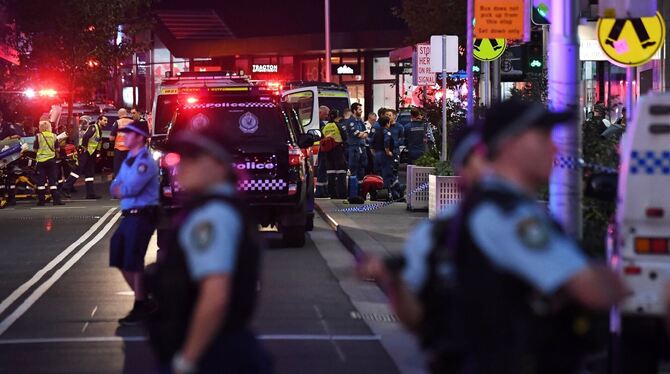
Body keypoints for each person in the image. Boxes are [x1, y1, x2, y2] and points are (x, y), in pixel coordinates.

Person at [451, 100, 626, 373]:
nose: (555, 147)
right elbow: (593, 290)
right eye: (544, 137)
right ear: (511, 144)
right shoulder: (506, 215)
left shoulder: (509, 206)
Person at [358, 126, 488, 373]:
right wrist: (394, 278)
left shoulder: (527, 221)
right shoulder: (438, 232)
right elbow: (414, 316)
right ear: (466, 167)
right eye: (488, 158)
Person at [148, 120, 273, 374]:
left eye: (193, 157)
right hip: (223, 347)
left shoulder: (211, 216)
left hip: (214, 353)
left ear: (218, 164)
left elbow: (215, 295)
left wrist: (187, 360)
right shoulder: (220, 208)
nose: (181, 163)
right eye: (179, 156)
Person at [109, 120, 159, 325]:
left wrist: (121, 188)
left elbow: (130, 188)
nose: (124, 137)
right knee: (118, 254)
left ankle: (141, 303)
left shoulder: (144, 161)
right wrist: (119, 188)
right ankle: (145, 298)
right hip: (129, 215)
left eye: (129, 134)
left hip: (142, 215)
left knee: (133, 259)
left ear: (140, 137)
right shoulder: (130, 158)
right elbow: (114, 186)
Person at [61, 115, 107, 199]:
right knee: (77, 169)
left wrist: (98, 153)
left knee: (90, 173)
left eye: (106, 121)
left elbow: (97, 143)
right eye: (104, 120)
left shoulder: (99, 131)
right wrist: (84, 147)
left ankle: (90, 193)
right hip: (85, 152)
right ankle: (65, 188)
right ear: (99, 120)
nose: (106, 122)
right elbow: (86, 137)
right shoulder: (94, 128)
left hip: (91, 153)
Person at [33, 121, 64, 206]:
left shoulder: (38, 136)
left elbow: (35, 149)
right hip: (51, 161)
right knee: (52, 181)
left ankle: (41, 201)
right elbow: (58, 149)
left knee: (41, 182)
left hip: (41, 161)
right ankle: (56, 200)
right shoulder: (54, 136)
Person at [374, 116, 403, 200]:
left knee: (378, 175)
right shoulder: (387, 132)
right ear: (387, 123)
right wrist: (388, 151)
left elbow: (371, 143)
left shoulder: (377, 132)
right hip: (384, 155)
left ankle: (377, 193)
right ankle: (387, 194)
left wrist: (375, 153)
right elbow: (386, 141)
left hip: (377, 154)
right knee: (387, 174)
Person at [320, 109, 347, 199]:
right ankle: (341, 194)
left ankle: (332, 194)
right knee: (341, 172)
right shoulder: (338, 125)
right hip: (338, 151)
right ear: (337, 116)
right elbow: (345, 137)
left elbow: (322, 138)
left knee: (330, 172)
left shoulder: (325, 127)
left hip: (328, 153)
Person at [344, 103, 368, 188]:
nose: (361, 111)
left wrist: (363, 134)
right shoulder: (351, 122)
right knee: (354, 169)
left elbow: (366, 133)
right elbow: (358, 135)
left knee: (362, 168)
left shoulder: (360, 121)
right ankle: (353, 191)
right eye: (359, 109)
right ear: (354, 110)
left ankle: (361, 190)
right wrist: (363, 134)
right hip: (354, 148)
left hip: (362, 147)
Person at [110, 108, 134, 177]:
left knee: (118, 169)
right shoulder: (132, 122)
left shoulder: (118, 122)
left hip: (119, 150)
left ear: (120, 114)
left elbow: (112, 138)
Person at [315, 105, 330, 198]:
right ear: (320, 113)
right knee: (322, 170)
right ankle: (320, 191)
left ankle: (323, 191)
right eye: (325, 114)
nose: (326, 117)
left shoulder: (319, 123)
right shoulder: (319, 124)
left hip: (321, 148)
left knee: (323, 170)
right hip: (321, 149)